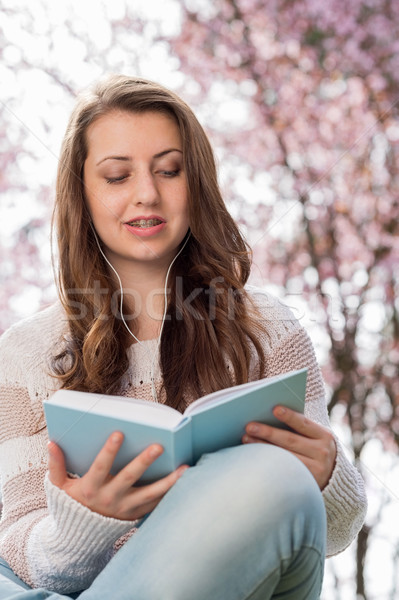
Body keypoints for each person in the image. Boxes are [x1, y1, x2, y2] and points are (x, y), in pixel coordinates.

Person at [0, 74, 366, 600]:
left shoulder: (268, 329)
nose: (146, 194)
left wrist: (329, 476)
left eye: (169, 170)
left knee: (275, 480)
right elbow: (20, 548)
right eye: (117, 176)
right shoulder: (25, 352)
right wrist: (81, 527)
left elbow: (329, 533)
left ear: (196, 182)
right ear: (83, 192)